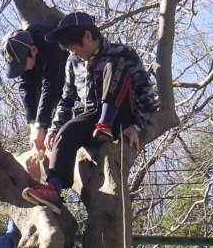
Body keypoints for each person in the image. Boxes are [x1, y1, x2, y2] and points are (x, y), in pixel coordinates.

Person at [21, 11, 158, 213]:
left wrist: (137, 125)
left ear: (87, 36)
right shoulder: (72, 62)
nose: (72, 53)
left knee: (112, 65)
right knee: (67, 131)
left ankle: (106, 123)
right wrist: (54, 128)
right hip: (91, 117)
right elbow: (67, 99)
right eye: (67, 50)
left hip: (121, 113)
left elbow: (146, 95)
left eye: (73, 48)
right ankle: (53, 189)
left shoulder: (122, 53)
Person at [2, 21, 67, 154]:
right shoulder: (23, 51)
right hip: (48, 76)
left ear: (33, 50)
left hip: (70, 76)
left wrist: (40, 125)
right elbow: (25, 87)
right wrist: (32, 123)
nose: (22, 70)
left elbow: (51, 86)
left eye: (22, 65)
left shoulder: (51, 44)